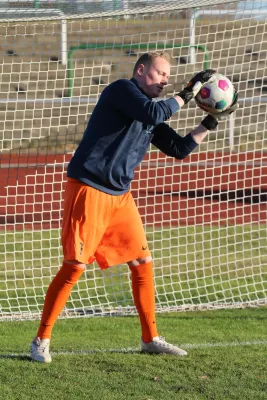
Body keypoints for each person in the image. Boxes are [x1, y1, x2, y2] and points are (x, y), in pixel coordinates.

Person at [30, 52, 238, 363]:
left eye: (168, 75)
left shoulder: (151, 113)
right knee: (75, 266)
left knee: (143, 262)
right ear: (141, 71)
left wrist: (211, 120)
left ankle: (150, 338)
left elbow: (179, 149)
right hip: (89, 188)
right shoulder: (121, 91)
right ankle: (40, 340)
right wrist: (186, 92)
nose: (165, 80)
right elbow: (154, 114)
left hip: (120, 196)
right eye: (160, 73)